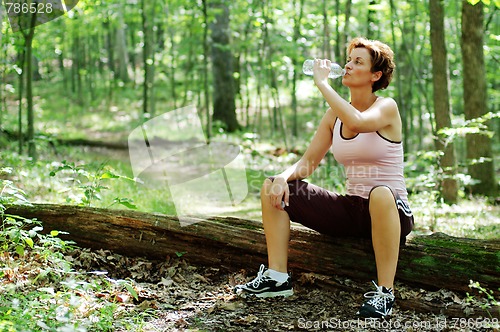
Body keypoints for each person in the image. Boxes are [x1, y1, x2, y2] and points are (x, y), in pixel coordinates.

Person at [234, 37, 414, 319]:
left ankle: (384, 293)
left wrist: (322, 84)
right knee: (272, 184)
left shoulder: (387, 107)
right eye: (349, 60)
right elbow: (307, 163)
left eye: (358, 62)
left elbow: (358, 121)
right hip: (353, 209)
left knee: (379, 193)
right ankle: (277, 277)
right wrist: (282, 177)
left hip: (391, 211)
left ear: (375, 75)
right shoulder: (334, 116)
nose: (348, 66)